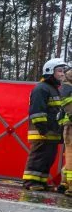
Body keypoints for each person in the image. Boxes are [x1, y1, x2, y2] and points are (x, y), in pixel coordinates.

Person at [22, 58, 65, 191]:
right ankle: (30, 182)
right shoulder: (41, 88)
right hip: (42, 132)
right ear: (49, 71)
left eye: (63, 71)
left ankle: (40, 182)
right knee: (38, 157)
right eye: (59, 71)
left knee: (47, 159)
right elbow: (37, 111)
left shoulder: (53, 89)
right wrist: (43, 129)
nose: (62, 74)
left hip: (51, 133)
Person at [60, 65, 72, 196]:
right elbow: (67, 102)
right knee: (71, 155)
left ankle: (64, 183)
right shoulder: (68, 83)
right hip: (71, 125)